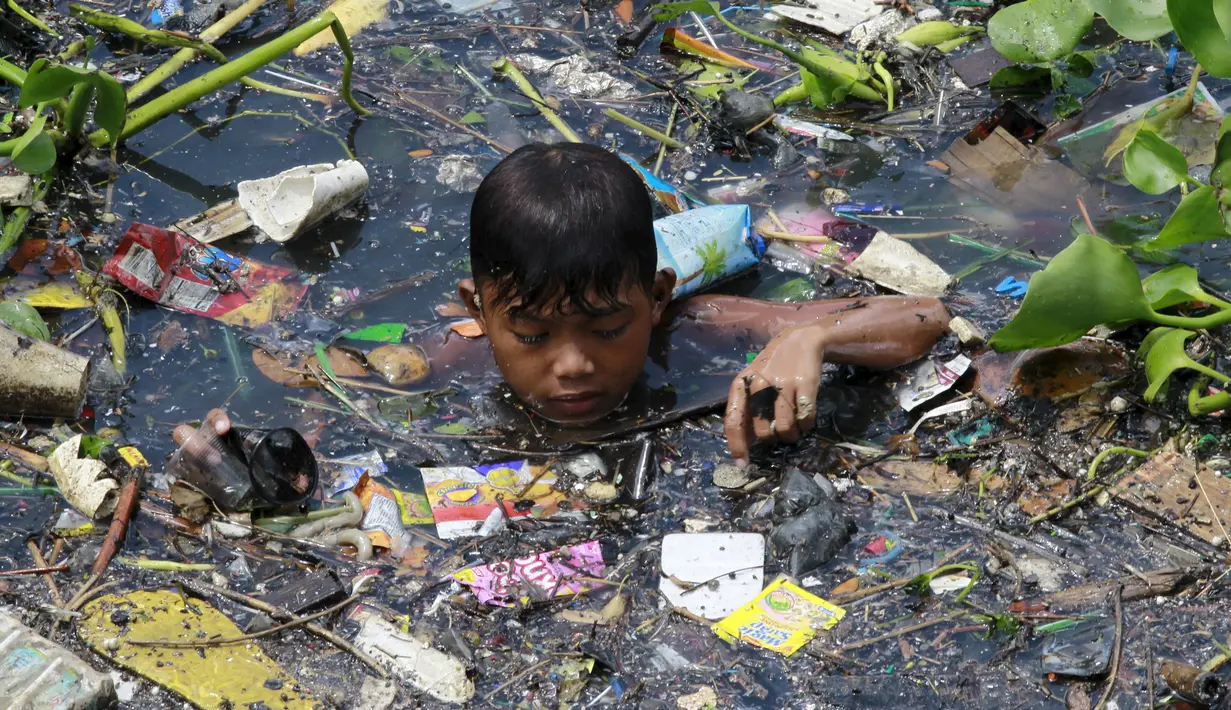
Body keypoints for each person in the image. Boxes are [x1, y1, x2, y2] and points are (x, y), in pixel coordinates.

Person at [180, 144, 951, 467]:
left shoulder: (687, 326)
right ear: (478, 311)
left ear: (654, 298)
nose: (574, 363)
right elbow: (313, 372)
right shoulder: (457, 349)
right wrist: (242, 447)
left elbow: (923, 316)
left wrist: (805, 341)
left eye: (609, 326)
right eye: (532, 332)